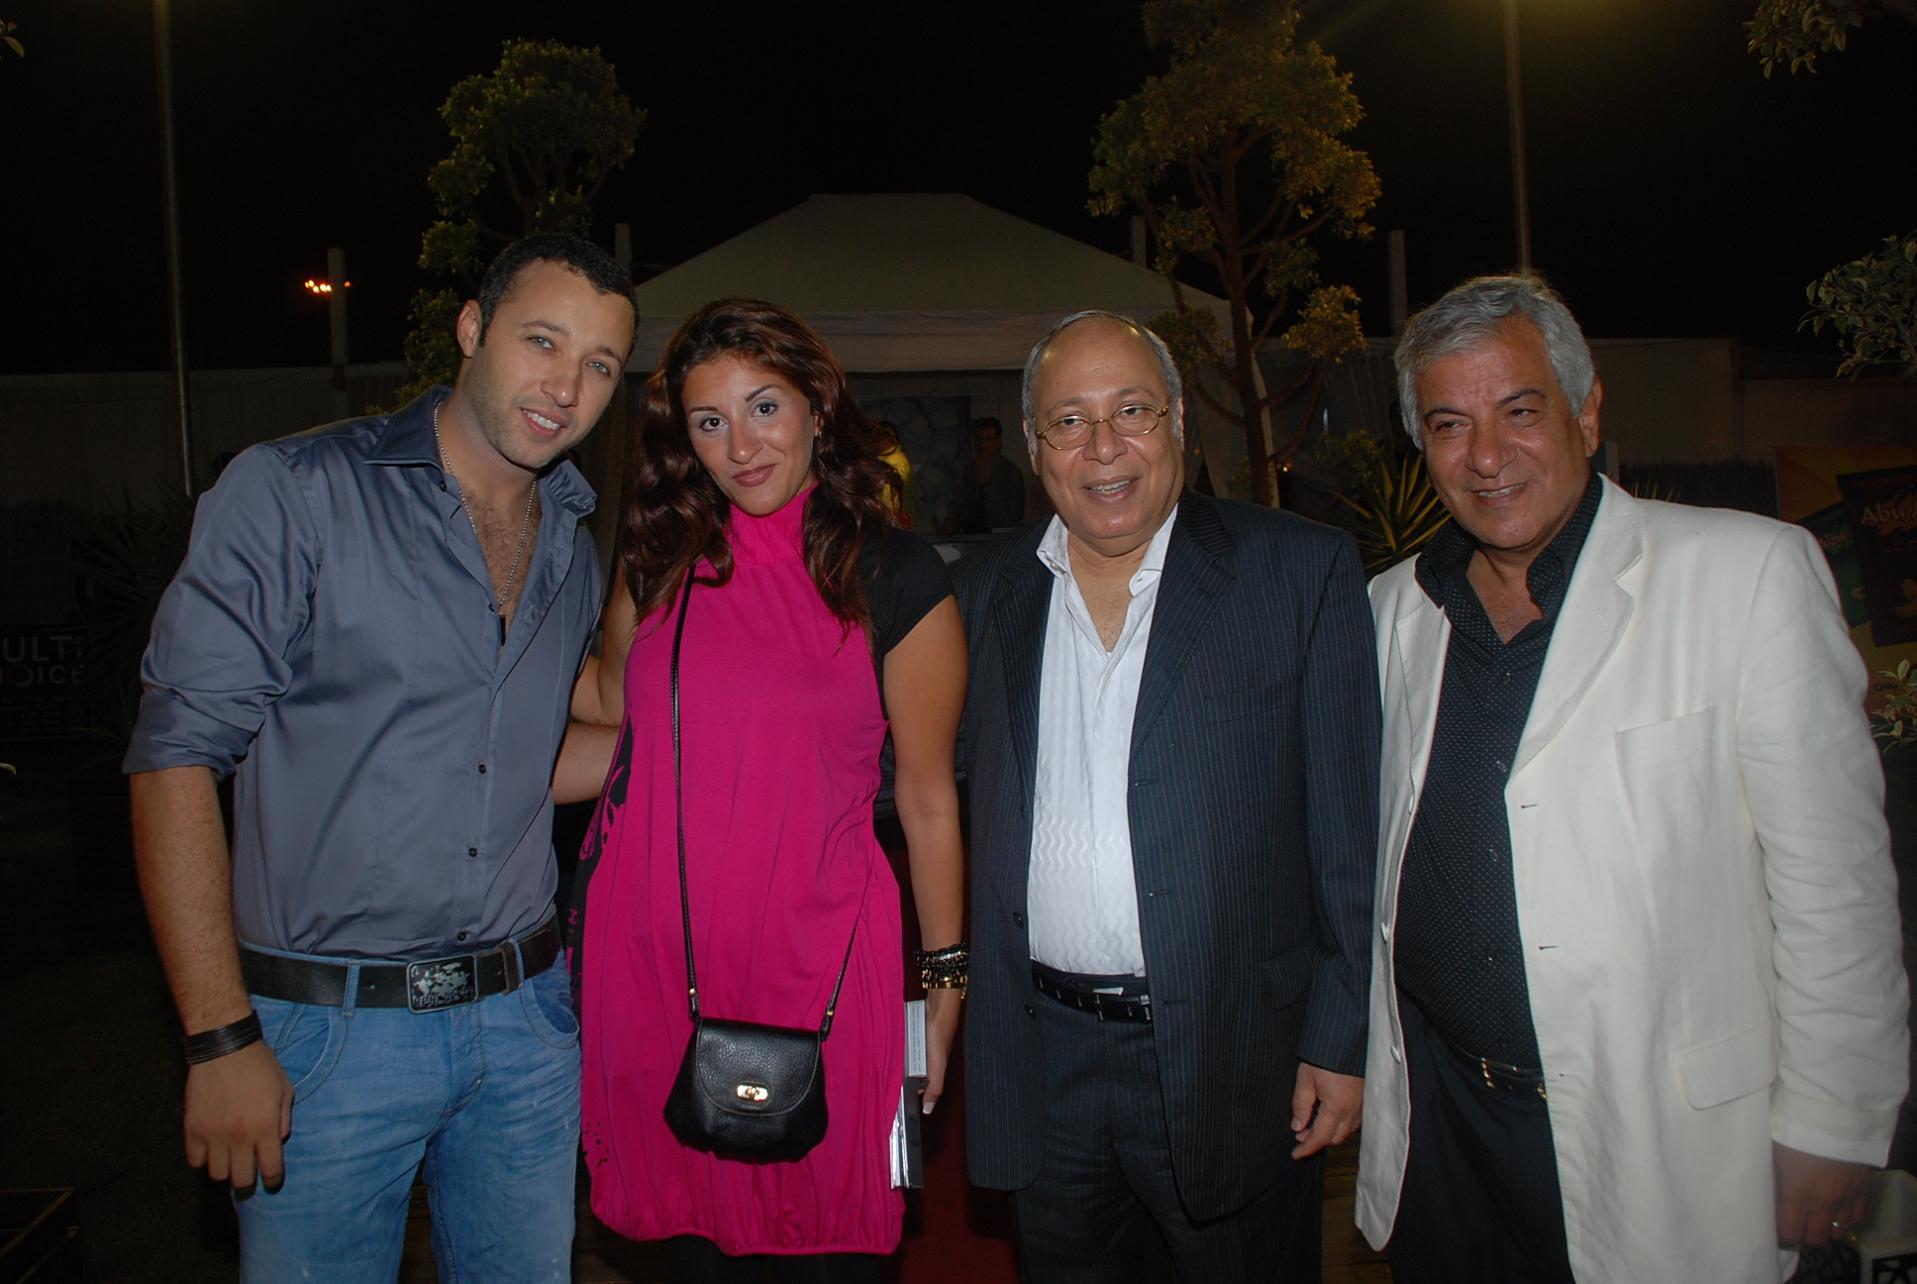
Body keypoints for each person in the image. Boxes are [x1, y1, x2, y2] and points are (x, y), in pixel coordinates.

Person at [1355, 274, 1910, 1282]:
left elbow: (1837, 887)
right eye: (1449, 425)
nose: (1487, 456)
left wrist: (1836, 1118)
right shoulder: (1389, 612)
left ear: (1585, 410)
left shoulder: (1746, 576)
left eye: (1520, 411)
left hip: (1666, 1144)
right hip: (1444, 1136)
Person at [123, 233, 637, 1280]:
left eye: (599, 364)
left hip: (525, 1024)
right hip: (329, 1032)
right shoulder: (297, 492)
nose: (566, 387)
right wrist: (219, 1036)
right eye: (542, 341)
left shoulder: (571, 535)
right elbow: (174, 758)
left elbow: (540, 739)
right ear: (472, 328)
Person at [956, 310, 1380, 1283]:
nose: (1103, 448)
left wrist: (1340, 1039)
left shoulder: (1297, 571)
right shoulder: (984, 594)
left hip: (1234, 1054)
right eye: (1069, 421)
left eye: (1131, 411)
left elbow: (1350, 833)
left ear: (1179, 419)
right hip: (1044, 1058)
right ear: (1033, 444)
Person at [566, 298, 966, 1282]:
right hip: (651, 962)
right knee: (689, 1252)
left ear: (817, 407)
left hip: (819, 966)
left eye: (764, 407)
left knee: (828, 1248)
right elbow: (611, 711)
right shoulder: (658, 561)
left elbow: (927, 799)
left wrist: (947, 974)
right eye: (710, 421)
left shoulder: (894, 572)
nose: (740, 447)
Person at [962, 415, 1026, 531]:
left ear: (998, 442)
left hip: (1001, 536)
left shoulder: (1010, 472)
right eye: (978, 439)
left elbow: (1012, 518)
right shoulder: (968, 471)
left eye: (988, 439)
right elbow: (959, 506)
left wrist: (986, 486)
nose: (982, 445)